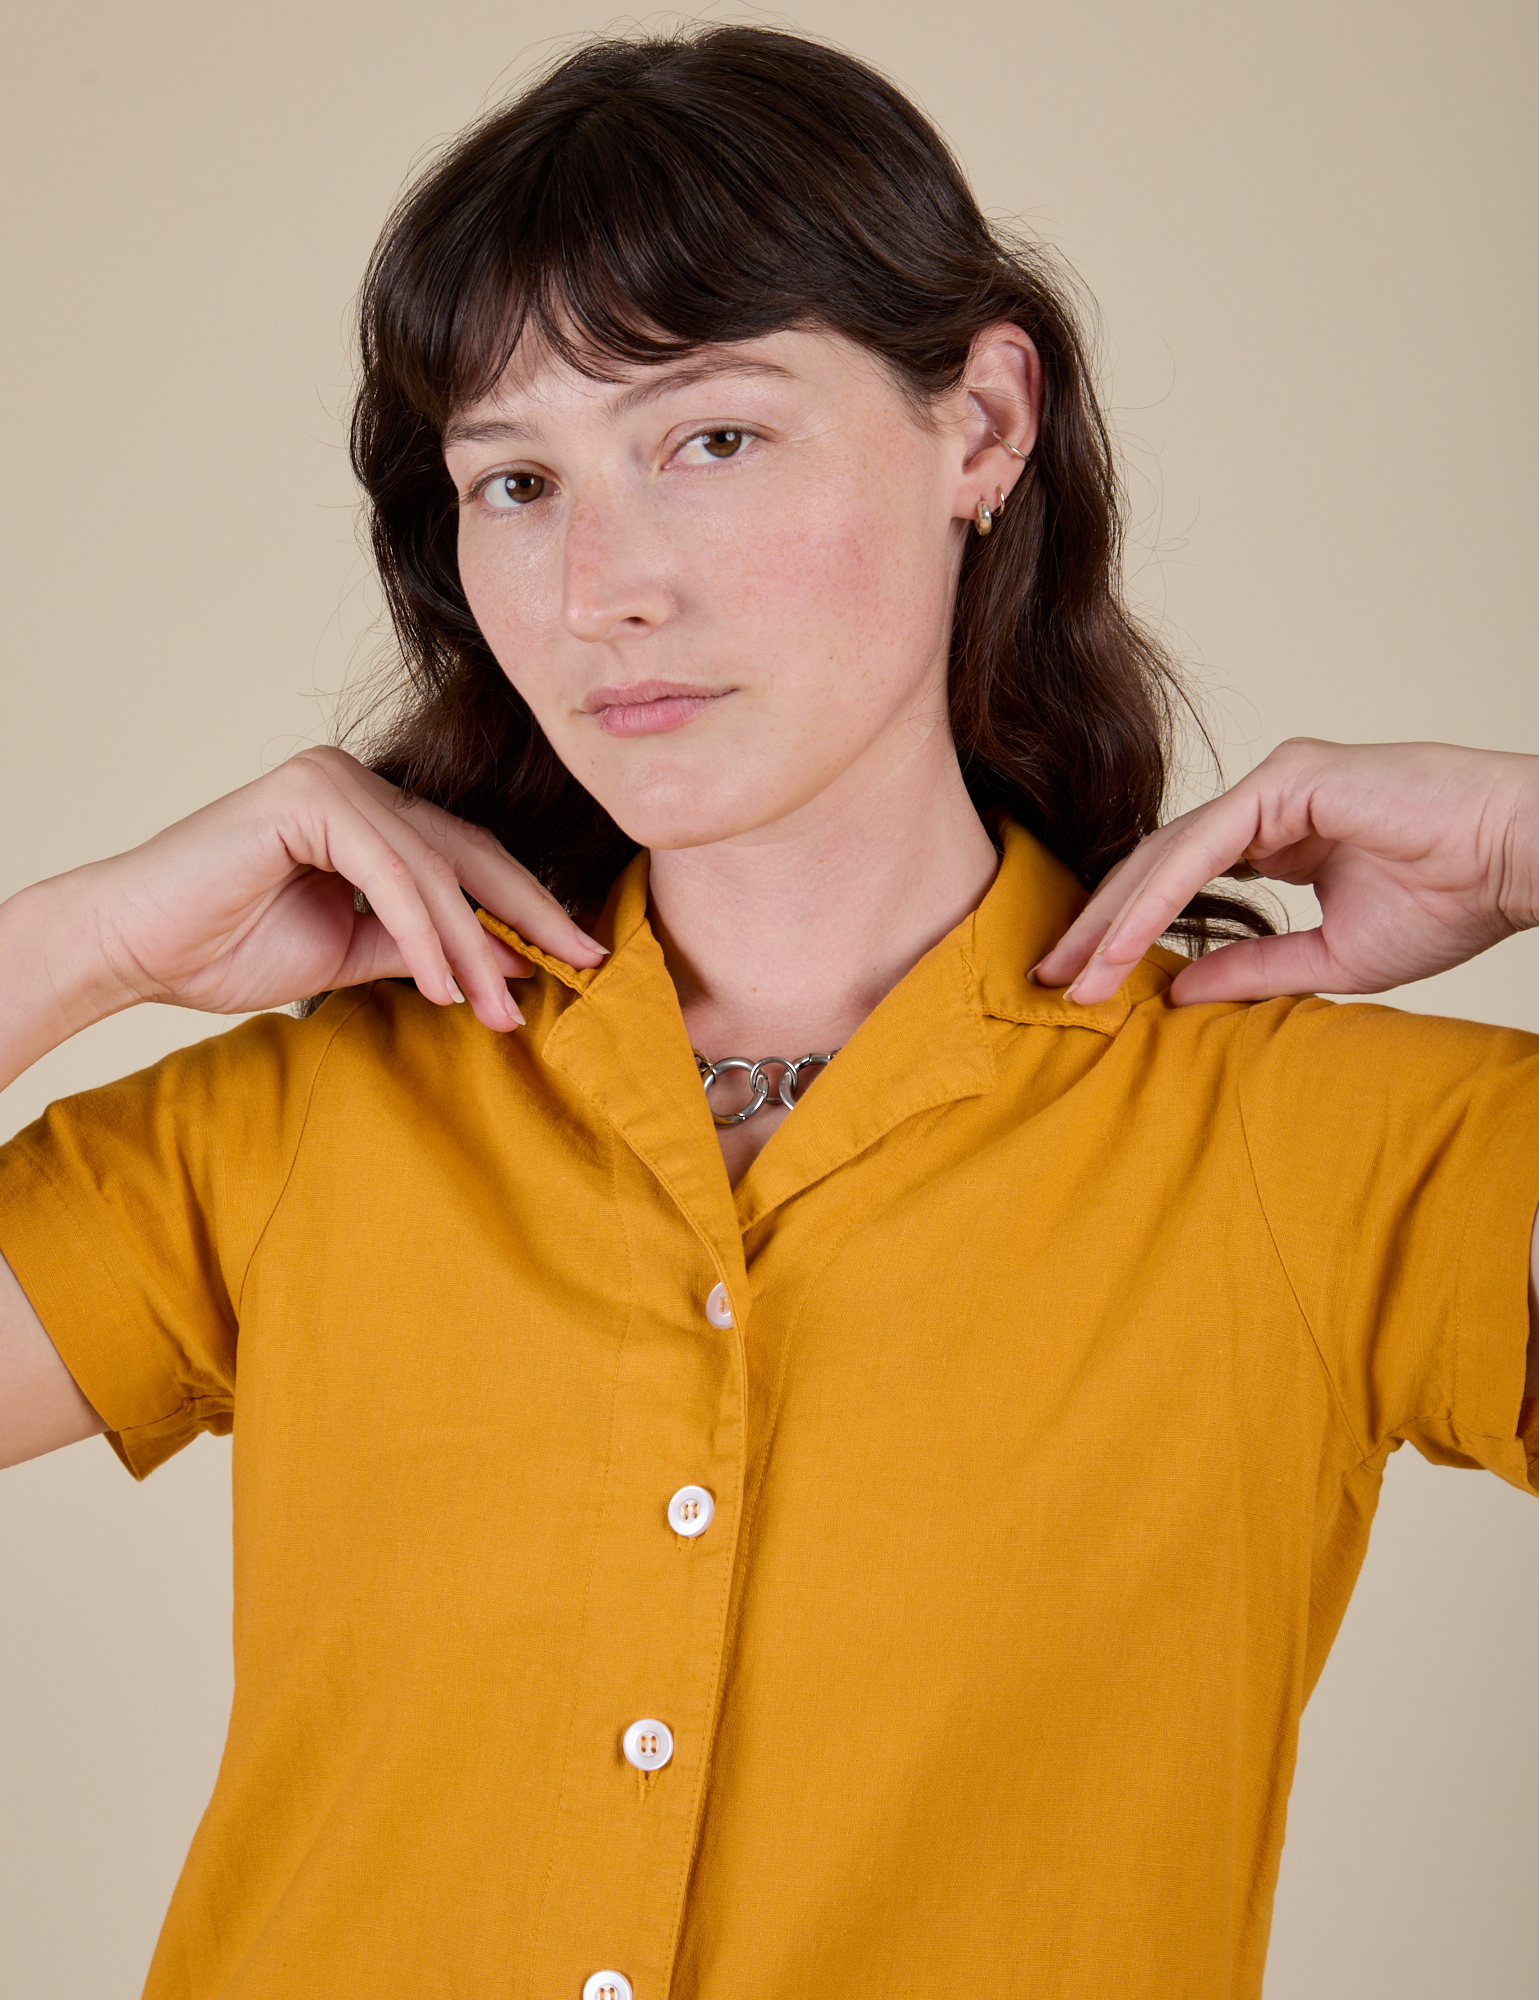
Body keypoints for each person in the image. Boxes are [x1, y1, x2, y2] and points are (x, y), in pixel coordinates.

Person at [0, 22, 1534, 2000]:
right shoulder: (305, 1125)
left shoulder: (1335, 1147)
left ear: (979, 427)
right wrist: (70, 945)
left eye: (708, 438)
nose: (595, 585)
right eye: (514, 477)